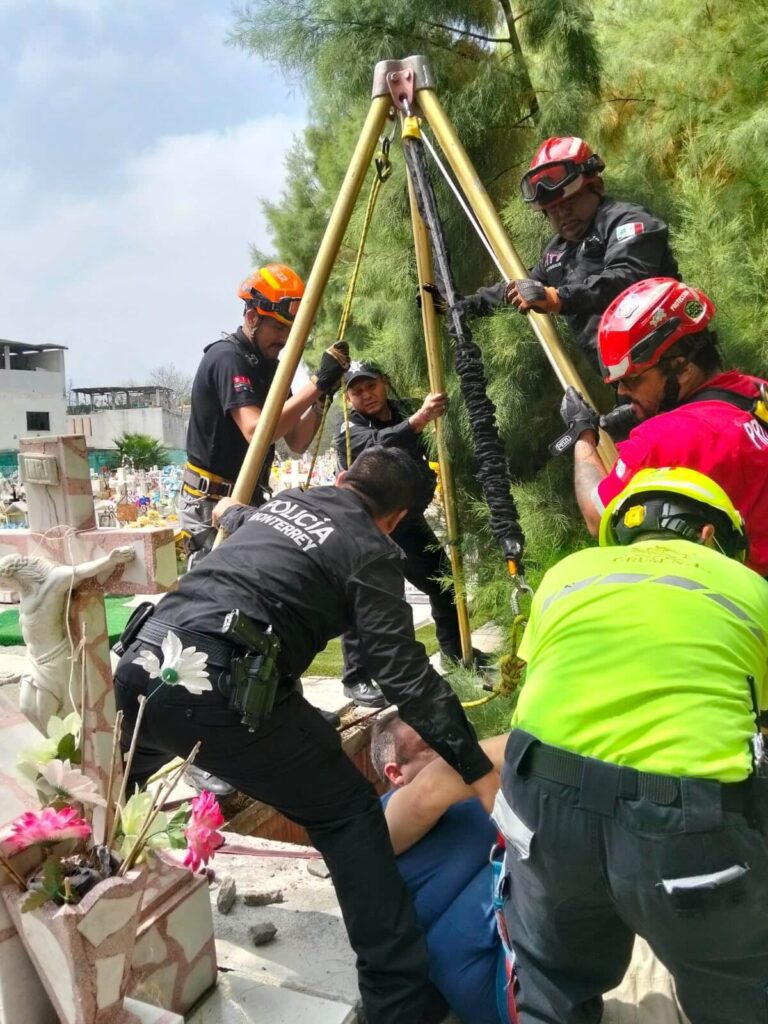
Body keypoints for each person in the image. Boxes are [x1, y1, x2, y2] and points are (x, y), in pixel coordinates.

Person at [113, 445, 498, 1024]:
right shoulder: (372, 550)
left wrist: (227, 515)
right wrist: (478, 770)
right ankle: (399, 1001)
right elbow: (404, 676)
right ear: (395, 519)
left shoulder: (289, 502)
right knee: (348, 815)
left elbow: (239, 518)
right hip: (220, 687)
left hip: (141, 664)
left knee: (106, 804)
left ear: (343, 480)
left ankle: (82, 927)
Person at [495, 466, 768, 1024]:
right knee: (736, 990)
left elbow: (545, 681)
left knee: (552, 980)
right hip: (688, 825)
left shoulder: (567, 574)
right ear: (712, 535)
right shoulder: (752, 590)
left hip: (541, 804)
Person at [558, 276, 768, 576]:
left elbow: (596, 515)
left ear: (681, 367)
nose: (622, 393)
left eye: (633, 380)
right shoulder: (755, 392)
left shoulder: (661, 439)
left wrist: (582, 435)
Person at [457, 136, 679, 374]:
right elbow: (519, 286)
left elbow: (626, 280)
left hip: (676, 367)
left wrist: (557, 297)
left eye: (570, 201)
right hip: (627, 381)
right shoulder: (556, 253)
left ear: (597, 187)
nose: (563, 214)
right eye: (552, 210)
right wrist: (463, 305)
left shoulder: (628, 222)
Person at [336, 360, 487, 708]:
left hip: (407, 521)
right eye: (356, 391)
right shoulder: (349, 428)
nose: (365, 395)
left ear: (385, 383)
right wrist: (418, 420)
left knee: (444, 584)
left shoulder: (403, 409)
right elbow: (376, 445)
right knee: (364, 599)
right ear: (348, 398)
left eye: (370, 386)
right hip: (366, 526)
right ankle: (356, 677)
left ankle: (454, 653)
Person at [181, 263, 350, 563]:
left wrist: (320, 398)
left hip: (246, 496)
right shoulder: (227, 358)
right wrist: (315, 384)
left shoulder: (271, 367)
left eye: (291, 330)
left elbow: (297, 441)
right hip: (210, 504)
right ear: (252, 317)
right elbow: (256, 432)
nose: (284, 339)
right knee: (217, 592)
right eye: (278, 327)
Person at [372, 714, 514, 1024]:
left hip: (533, 954)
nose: (449, 748)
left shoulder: (473, 793)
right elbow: (431, 787)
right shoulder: (385, 820)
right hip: (500, 983)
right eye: (430, 745)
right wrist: (550, 741)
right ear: (396, 773)